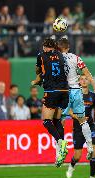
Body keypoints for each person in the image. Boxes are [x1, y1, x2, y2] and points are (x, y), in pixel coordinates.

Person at [57, 37, 95, 163]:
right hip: (76, 90)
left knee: (61, 121)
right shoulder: (76, 58)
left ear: (58, 47)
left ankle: (60, 152)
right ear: (68, 47)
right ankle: (90, 146)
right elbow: (87, 73)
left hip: (64, 91)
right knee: (82, 120)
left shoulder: (56, 59)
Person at [31, 37, 69, 167]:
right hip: (64, 91)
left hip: (52, 91)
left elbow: (38, 71)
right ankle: (60, 152)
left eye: (44, 46)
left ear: (46, 47)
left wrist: (36, 80)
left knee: (46, 120)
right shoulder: (60, 55)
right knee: (57, 120)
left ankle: (60, 142)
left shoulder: (41, 55)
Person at [65, 74, 95, 178]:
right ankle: (72, 166)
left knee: (94, 152)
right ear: (78, 82)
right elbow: (68, 110)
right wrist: (77, 117)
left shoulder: (93, 96)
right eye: (81, 79)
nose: (84, 81)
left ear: (89, 82)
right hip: (78, 127)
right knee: (78, 155)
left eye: (86, 79)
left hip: (91, 126)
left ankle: (92, 177)